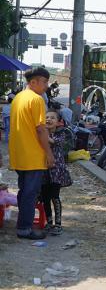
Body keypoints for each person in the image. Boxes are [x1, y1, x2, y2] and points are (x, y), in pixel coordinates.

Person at [9, 66, 55, 240]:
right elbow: (40, 130)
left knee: (24, 191)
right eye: (44, 82)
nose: (46, 86)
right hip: (33, 154)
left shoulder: (18, 98)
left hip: (19, 152)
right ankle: (24, 228)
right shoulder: (36, 100)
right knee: (30, 193)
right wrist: (49, 154)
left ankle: (22, 224)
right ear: (33, 81)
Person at [41, 109, 73, 235]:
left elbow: (56, 142)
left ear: (59, 122)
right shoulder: (42, 133)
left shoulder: (61, 133)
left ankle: (58, 223)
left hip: (56, 170)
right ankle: (49, 222)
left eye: (52, 118)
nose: (49, 119)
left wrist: (43, 136)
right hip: (44, 169)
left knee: (55, 196)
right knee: (45, 197)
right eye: (46, 117)